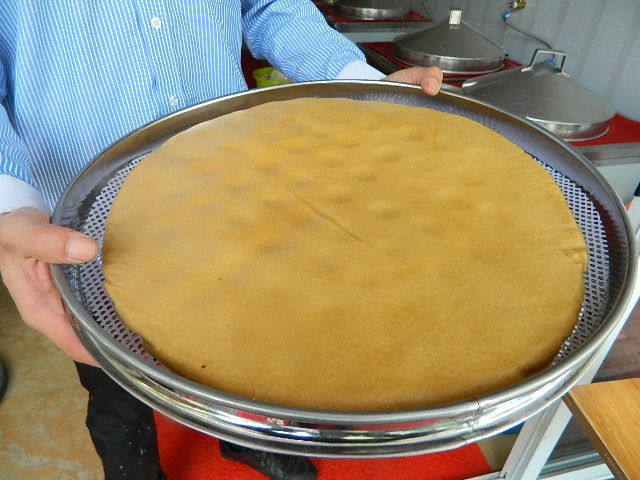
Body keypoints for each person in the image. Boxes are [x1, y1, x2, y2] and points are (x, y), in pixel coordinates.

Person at [0, 2, 443, 479]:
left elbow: (270, 7)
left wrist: (360, 82)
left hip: (230, 193)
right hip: (93, 222)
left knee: (249, 338)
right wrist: (9, 202)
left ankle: (249, 439)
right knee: (114, 384)